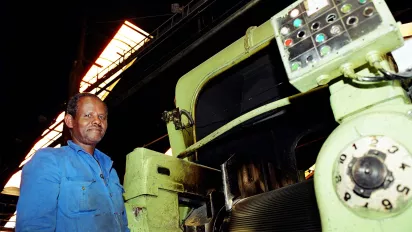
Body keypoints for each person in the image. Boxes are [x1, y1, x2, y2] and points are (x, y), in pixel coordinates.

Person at [16, 93, 129, 232]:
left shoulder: (110, 170)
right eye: (88, 115)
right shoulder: (49, 161)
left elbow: (122, 226)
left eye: (102, 117)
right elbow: (34, 228)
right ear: (70, 121)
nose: (97, 121)